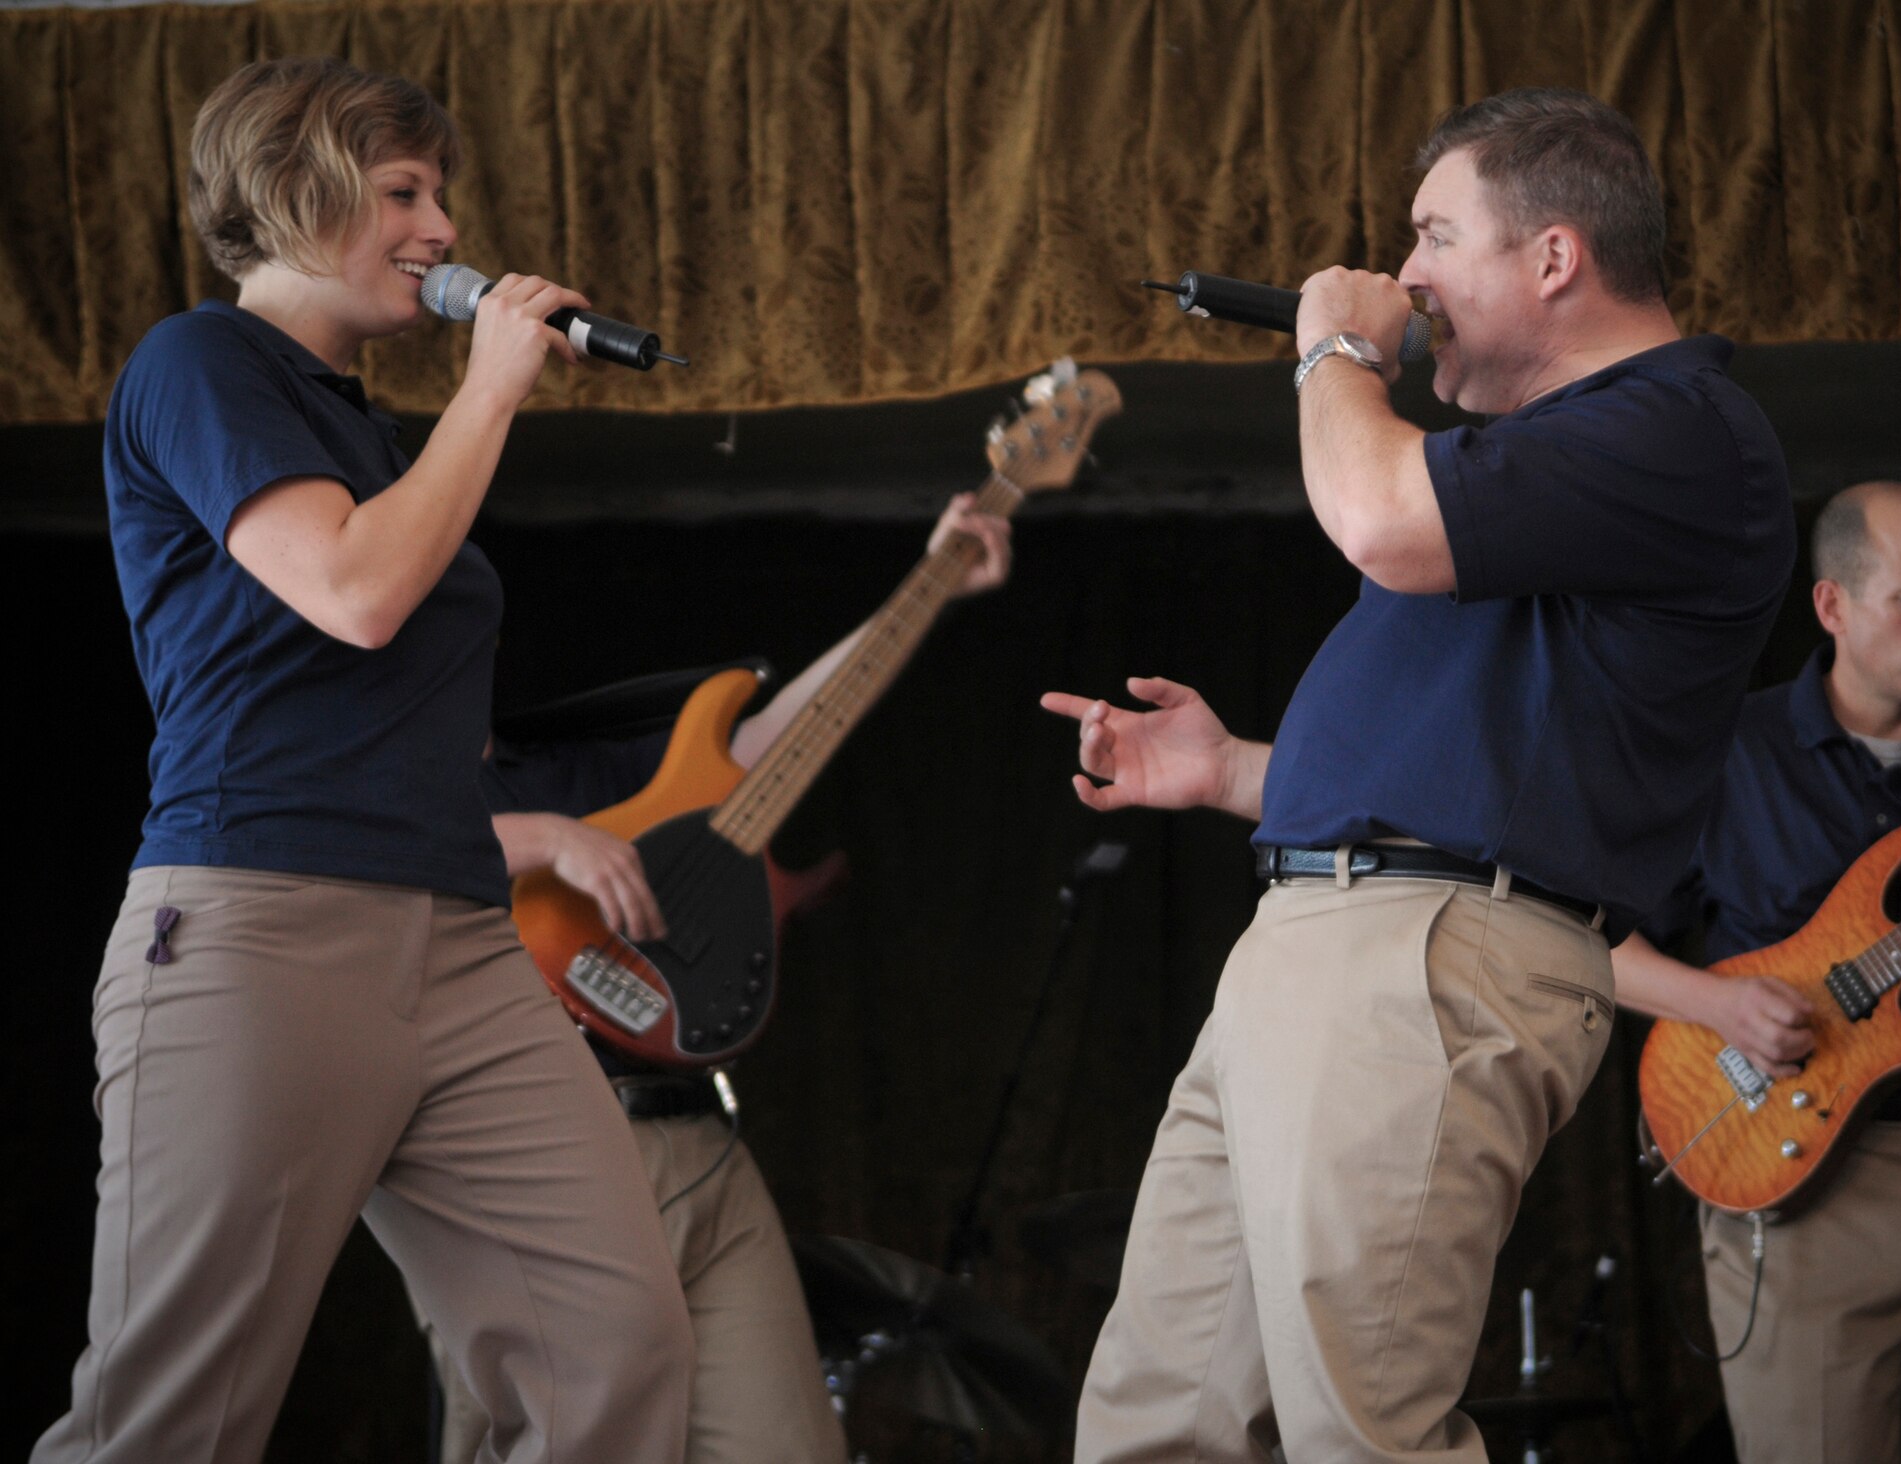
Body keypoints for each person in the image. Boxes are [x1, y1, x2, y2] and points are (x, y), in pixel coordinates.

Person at [1041, 88, 1795, 1461]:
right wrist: (1231, 774)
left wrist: (1334, 346)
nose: (1406, 280)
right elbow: (1458, 781)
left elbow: (1380, 519)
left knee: (1361, 1432)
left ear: (1554, 258)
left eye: (1434, 238)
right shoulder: (1530, 475)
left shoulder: (1681, 429)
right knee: (1159, 1420)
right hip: (1329, 940)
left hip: (1426, 963)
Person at [35, 57, 693, 1463]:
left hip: (458, 945)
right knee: (176, 1416)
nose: (444, 230)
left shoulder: (367, 430)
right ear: (289, 195)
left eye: (440, 196)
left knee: (615, 1348)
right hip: (261, 923)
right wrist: (495, 391)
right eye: (403, 192)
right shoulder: (198, 363)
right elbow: (353, 590)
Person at [419, 495, 1013, 1464]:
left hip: (697, 1142)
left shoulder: (578, 760)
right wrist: (543, 842)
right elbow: (348, 858)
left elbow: (774, 735)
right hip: (539, 1159)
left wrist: (928, 585)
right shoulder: (382, 802)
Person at [1612, 481, 1901, 1464]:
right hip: (1803, 1185)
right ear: (1831, 606)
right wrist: (1719, 1005)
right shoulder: (1725, 758)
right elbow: (1588, 945)